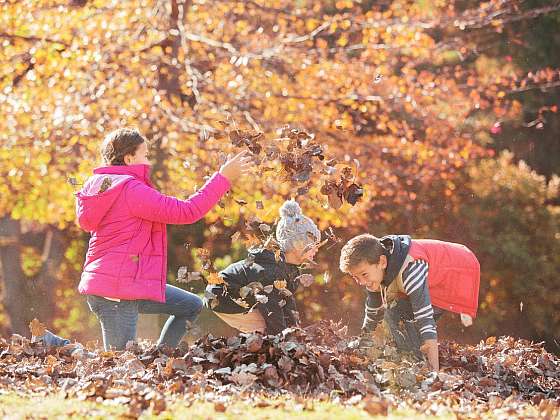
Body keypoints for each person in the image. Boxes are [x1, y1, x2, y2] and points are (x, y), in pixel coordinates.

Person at [75, 127, 251, 350]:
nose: (148, 162)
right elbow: (187, 211)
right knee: (120, 364)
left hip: (125, 283)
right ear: (129, 158)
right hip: (115, 291)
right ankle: (59, 345)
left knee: (190, 305)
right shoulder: (130, 190)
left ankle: (161, 357)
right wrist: (223, 178)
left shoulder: (100, 186)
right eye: (145, 155)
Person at [338, 234, 480, 371]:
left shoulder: (410, 270)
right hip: (432, 274)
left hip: (455, 272)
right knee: (392, 317)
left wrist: (434, 373)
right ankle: (406, 357)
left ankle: (417, 364)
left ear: (382, 262)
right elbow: (372, 316)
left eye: (364, 275)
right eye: (356, 278)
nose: (362, 282)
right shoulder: (374, 272)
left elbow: (425, 321)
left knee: (398, 316)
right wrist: (362, 348)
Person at [206, 200, 320, 335]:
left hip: (241, 295)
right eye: (312, 246)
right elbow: (273, 311)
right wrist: (287, 339)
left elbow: (286, 303)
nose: (316, 250)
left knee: (283, 328)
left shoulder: (290, 269)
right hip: (221, 295)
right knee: (268, 328)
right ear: (297, 245)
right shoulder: (270, 271)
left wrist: (296, 329)